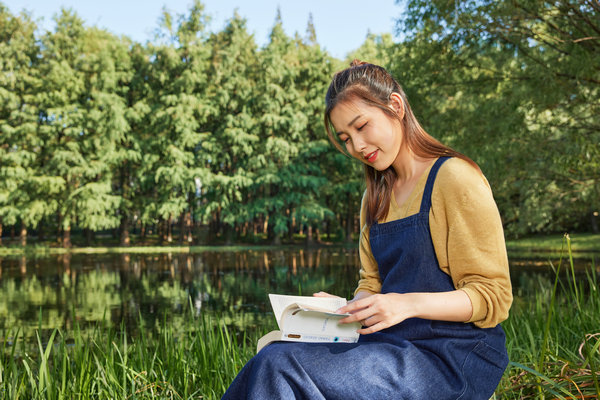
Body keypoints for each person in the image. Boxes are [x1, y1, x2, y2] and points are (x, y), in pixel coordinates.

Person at [222, 60, 512, 400]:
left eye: (362, 126)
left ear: (395, 106)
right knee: (270, 355)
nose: (357, 146)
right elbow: (372, 285)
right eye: (345, 138)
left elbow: (493, 297)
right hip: (388, 346)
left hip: (451, 358)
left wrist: (405, 305)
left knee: (280, 365)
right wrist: (346, 308)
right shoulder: (374, 198)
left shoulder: (455, 178)